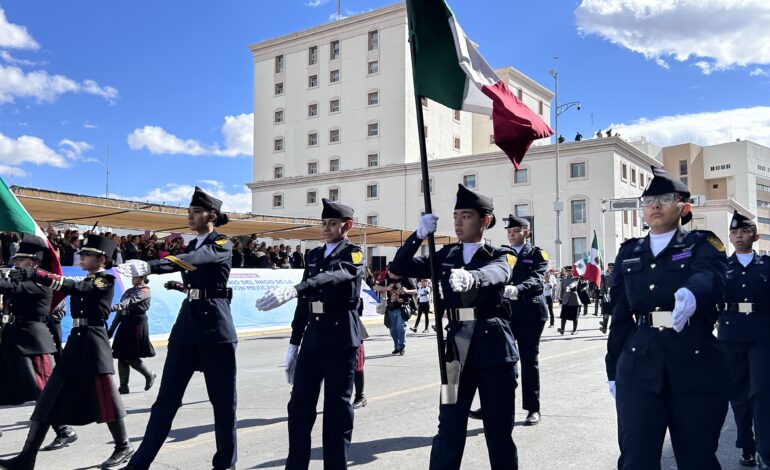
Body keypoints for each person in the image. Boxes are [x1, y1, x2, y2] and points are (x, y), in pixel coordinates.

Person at [606, 166, 729, 470]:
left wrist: (692, 293)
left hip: (693, 359)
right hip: (638, 361)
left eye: (664, 198)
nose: (655, 205)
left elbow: (710, 274)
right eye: (648, 201)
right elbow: (620, 314)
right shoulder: (629, 252)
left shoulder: (701, 243)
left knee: (696, 457)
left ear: (683, 207)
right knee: (637, 458)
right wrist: (612, 368)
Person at [389, 184, 519, 470]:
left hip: (494, 350)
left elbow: (500, 271)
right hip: (456, 353)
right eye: (456, 215)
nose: (458, 222)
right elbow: (397, 269)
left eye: (466, 216)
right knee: (448, 427)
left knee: (498, 431)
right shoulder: (445, 255)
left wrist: (474, 278)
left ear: (485, 220)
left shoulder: (501, 253)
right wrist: (418, 235)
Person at [117, 187, 236, 470]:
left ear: (212, 216)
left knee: (222, 403)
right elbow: (194, 271)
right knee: (165, 402)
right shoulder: (192, 245)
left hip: (215, 328)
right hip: (187, 325)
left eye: (195, 212)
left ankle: (225, 465)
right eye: (189, 212)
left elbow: (197, 261)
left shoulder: (222, 242)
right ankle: (139, 464)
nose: (190, 216)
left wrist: (150, 265)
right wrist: (181, 285)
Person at [0, 234, 133, 469]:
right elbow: (68, 284)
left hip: (94, 343)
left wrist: (36, 273)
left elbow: (77, 286)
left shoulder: (106, 280)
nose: (81, 256)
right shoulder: (87, 278)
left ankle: (123, 445)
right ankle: (27, 457)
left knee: (107, 398)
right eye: (81, 253)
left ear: (102, 258)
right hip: (76, 342)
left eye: (87, 254)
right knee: (47, 400)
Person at [255, 198, 364, 470]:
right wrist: (294, 343)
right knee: (299, 408)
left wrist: (297, 288)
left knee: (337, 412)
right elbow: (305, 303)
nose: (326, 228)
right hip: (313, 339)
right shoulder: (314, 255)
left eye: (333, 224)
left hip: (340, 338)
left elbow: (336, 276)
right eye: (323, 223)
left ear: (346, 225)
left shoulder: (354, 254)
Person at [0, 235, 78, 453]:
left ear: (34, 262)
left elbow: (7, 287)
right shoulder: (21, 280)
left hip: (32, 342)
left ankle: (64, 430)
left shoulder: (40, 283)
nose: (16, 263)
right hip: (13, 339)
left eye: (21, 260)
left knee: (42, 392)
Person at [469, 215, 548, 426]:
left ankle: (533, 408)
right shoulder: (502, 253)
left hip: (530, 311)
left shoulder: (537, 254)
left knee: (528, 359)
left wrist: (517, 290)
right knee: (502, 361)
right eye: (509, 232)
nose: (511, 235)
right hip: (506, 312)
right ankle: (492, 405)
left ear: (527, 232)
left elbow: (536, 279)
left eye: (516, 231)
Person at [718, 210, 770, 469]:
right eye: (735, 233)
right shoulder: (722, 267)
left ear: (755, 235)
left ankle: (765, 450)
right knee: (737, 393)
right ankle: (746, 447)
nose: (739, 236)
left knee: (761, 392)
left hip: (762, 334)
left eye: (744, 232)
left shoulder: (767, 265)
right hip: (731, 333)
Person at [107, 275, 157, 395]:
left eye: (135, 277)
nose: (132, 279)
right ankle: (123, 386)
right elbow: (121, 311)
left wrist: (110, 308)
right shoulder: (129, 290)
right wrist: (112, 329)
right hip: (125, 322)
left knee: (130, 355)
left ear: (142, 277)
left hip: (136, 323)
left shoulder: (144, 290)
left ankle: (149, 374)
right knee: (121, 355)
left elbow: (129, 302)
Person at [558, 267, 581, 335]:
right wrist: (561, 299)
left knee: (575, 316)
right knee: (563, 316)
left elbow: (574, 285)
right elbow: (562, 290)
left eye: (570, 271)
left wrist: (570, 286)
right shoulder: (563, 280)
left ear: (572, 271)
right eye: (567, 271)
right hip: (565, 300)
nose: (568, 272)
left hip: (574, 300)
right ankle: (562, 329)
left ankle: (575, 330)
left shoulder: (576, 278)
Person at [385, 289, 408, 355]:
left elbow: (402, 302)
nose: (394, 297)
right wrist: (393, 302)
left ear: (398, 296)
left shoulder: (401, 300)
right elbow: (390, 305)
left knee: (400, 328)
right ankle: (397, 347)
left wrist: (397, 302)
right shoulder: (389, 301)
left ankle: (401, 347)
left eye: (395, 295)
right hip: (391, 313)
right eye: (392, 295)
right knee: (393, 331)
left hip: (399, 312)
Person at [599, 264, 614, 334]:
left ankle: (613, 329)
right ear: (608, 268)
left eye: (612, 268)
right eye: (610, 268)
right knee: (606, 313)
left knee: (614, 314)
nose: (611, 269)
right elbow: (602, 286)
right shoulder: (604, 276)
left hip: (615, 296)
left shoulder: (617, 276)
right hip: (606, 296)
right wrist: (601, 296)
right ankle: (604, 328)